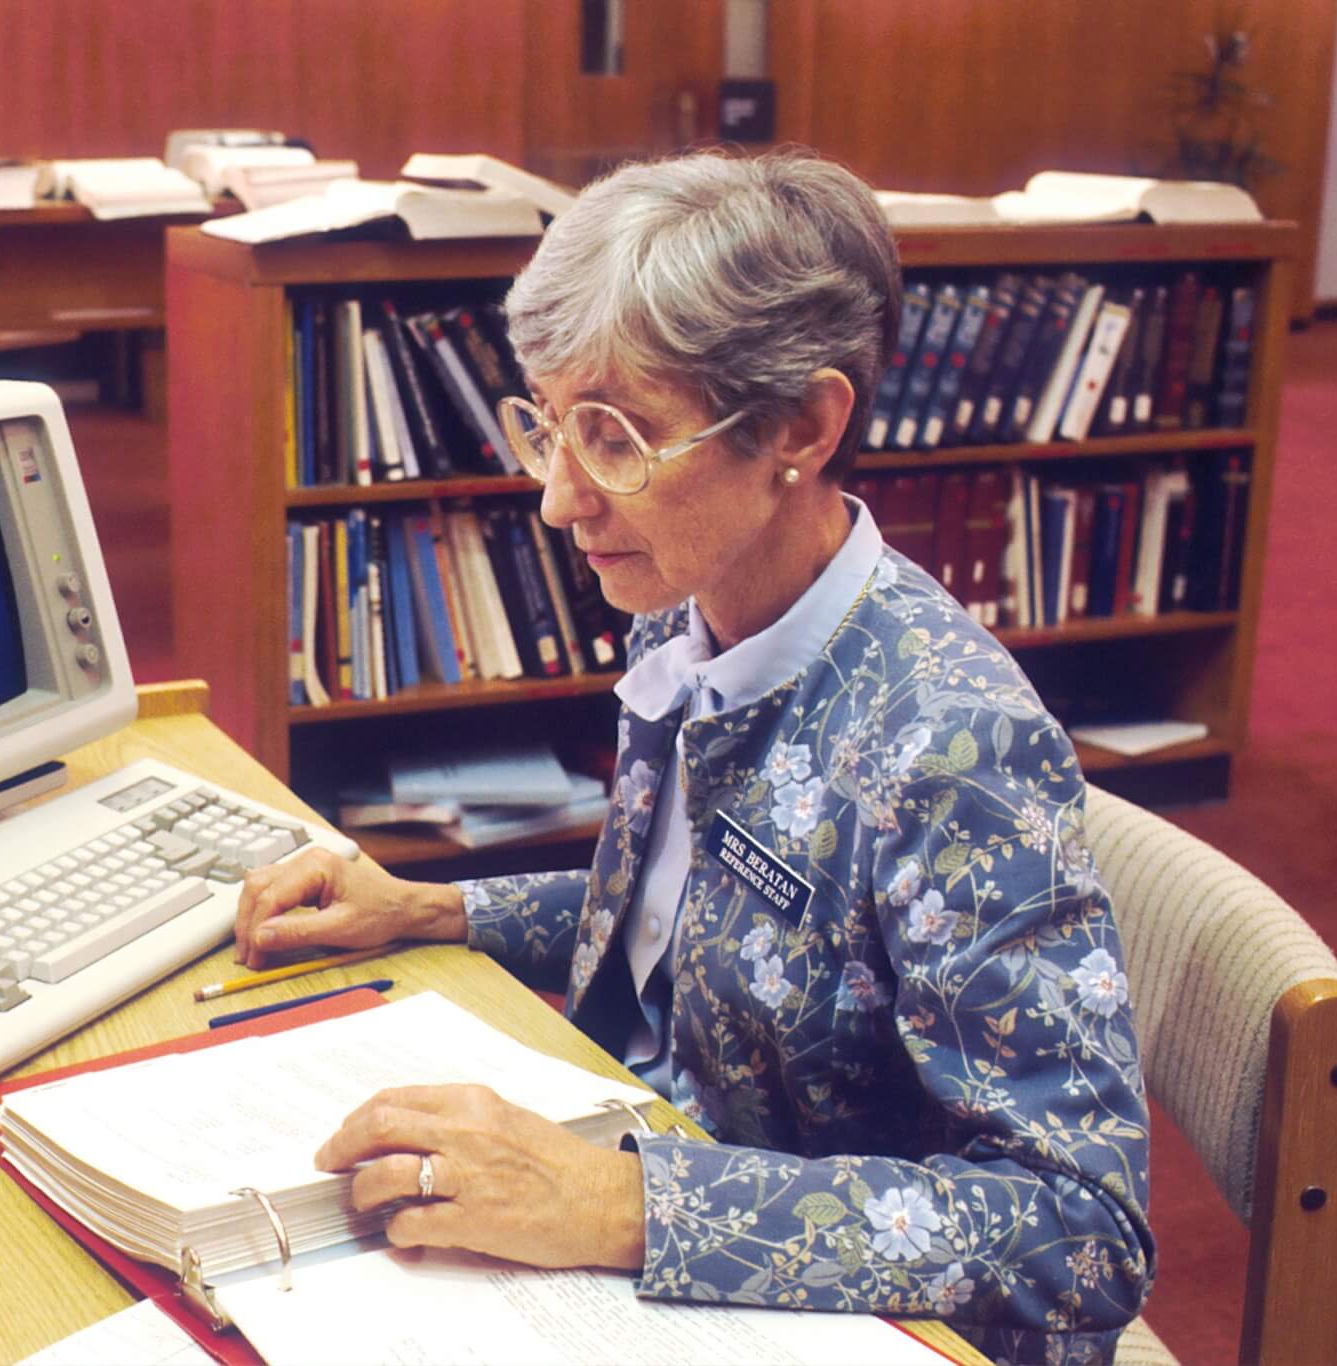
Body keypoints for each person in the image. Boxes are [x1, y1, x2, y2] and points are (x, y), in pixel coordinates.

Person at [234, 149, 1153, 1366]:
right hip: (665, 1203)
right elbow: (704, 913)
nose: (559, 499)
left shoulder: (951, 743)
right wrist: (436, 906)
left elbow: (1076, 1229)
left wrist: (619, 1203)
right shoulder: (693, 602)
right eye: (548, 426)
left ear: (802, 426)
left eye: (613, 436)